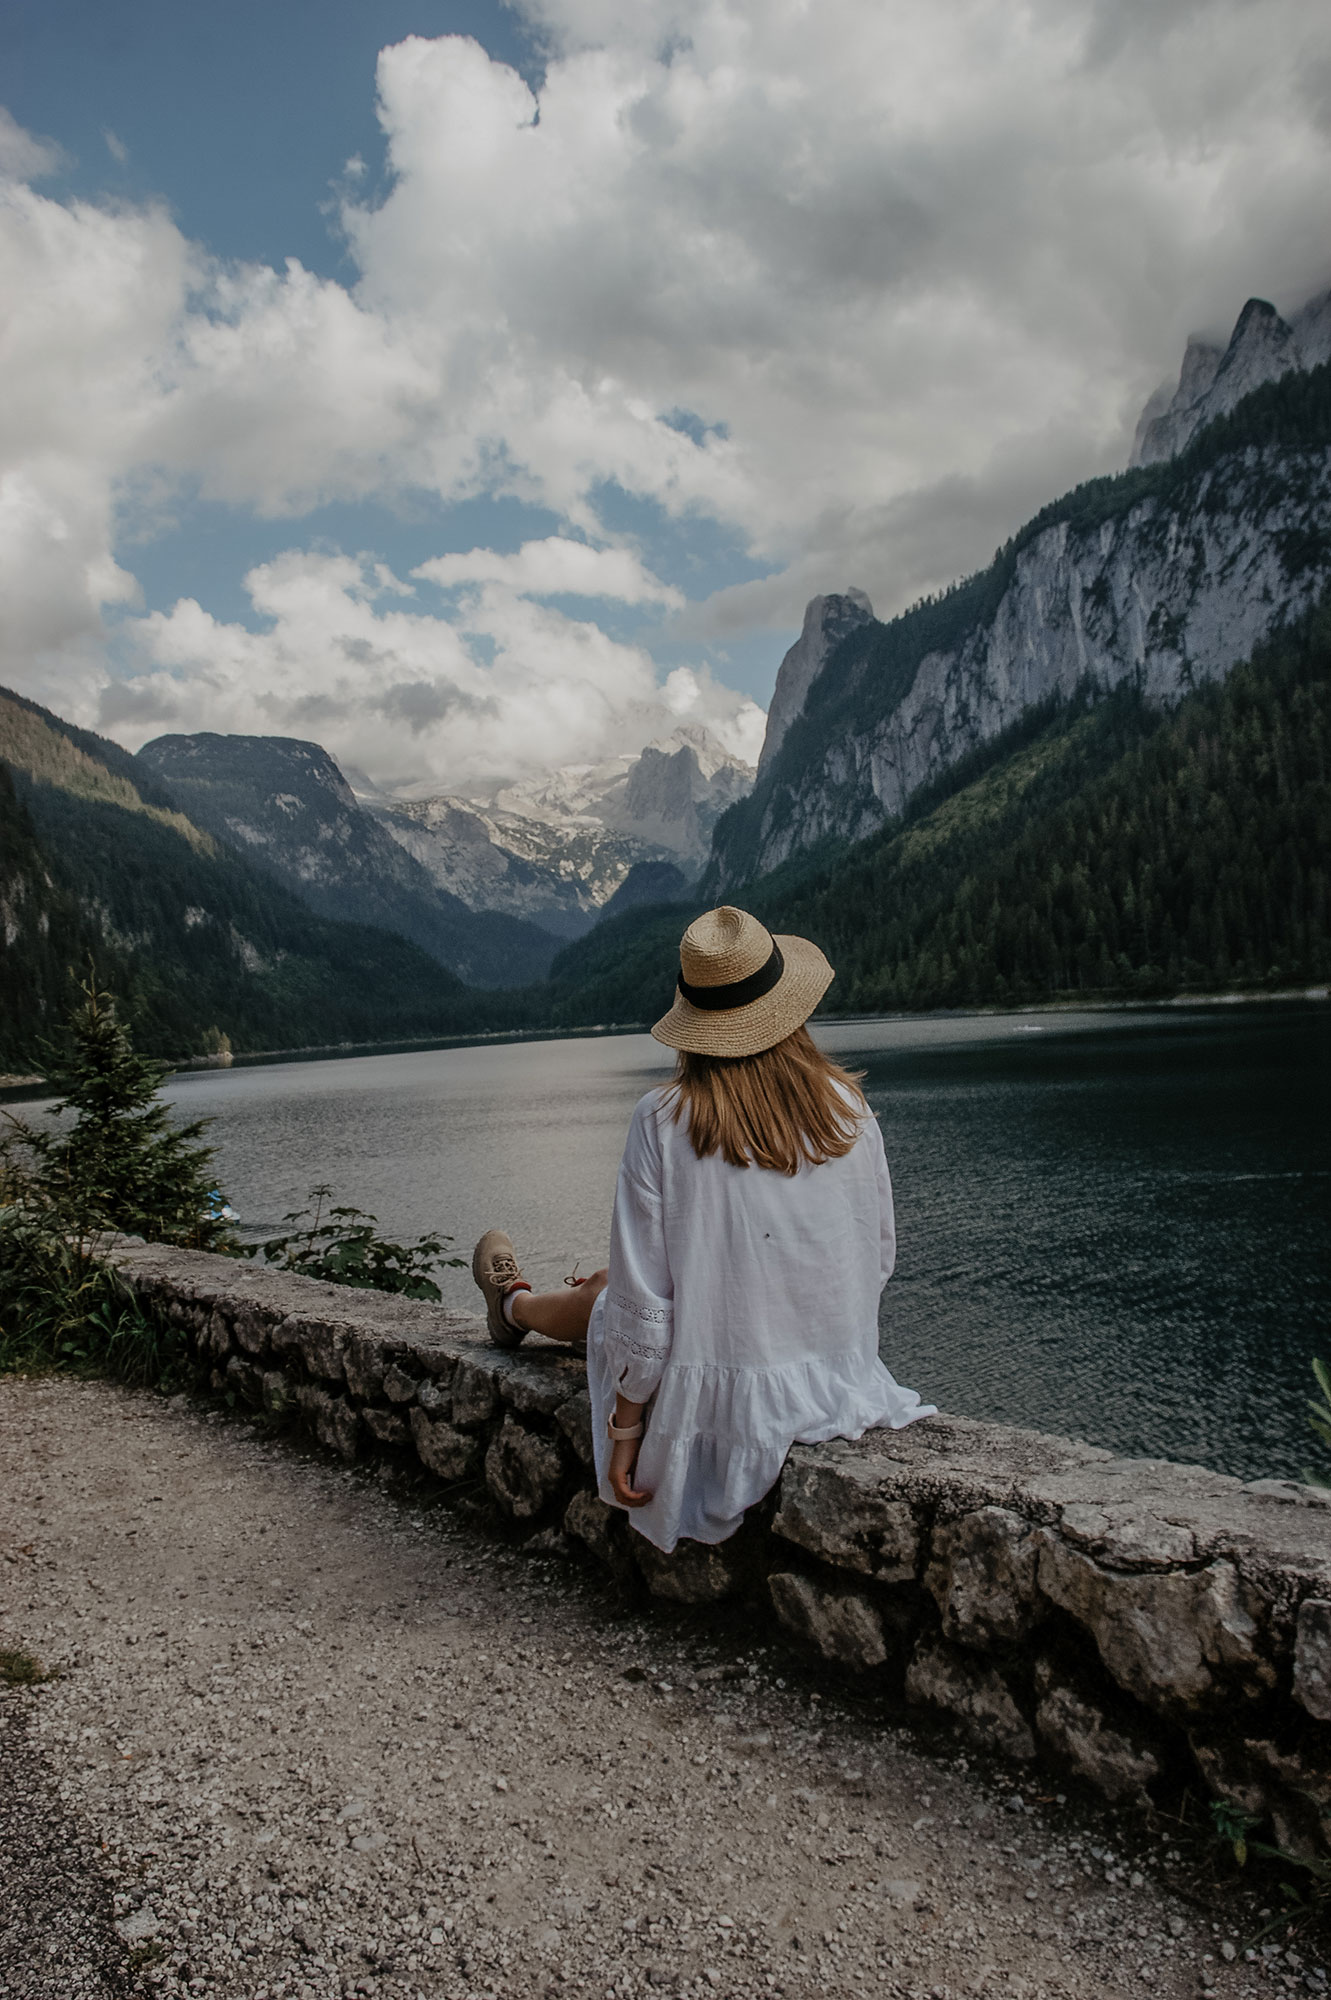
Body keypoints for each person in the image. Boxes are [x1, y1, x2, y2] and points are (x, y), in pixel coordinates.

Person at [472, 905, 934, 1554]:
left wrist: (626, 1432)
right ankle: (516, 1305)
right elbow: (876, 1257)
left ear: (694, 1023)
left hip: (727, 1404)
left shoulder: (663, 1119)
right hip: (843, 1379)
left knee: (611, 1298)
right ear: (788, 1008)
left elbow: (643, 1315)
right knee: (625, 1289)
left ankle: (512, 1304)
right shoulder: (847, 1105)